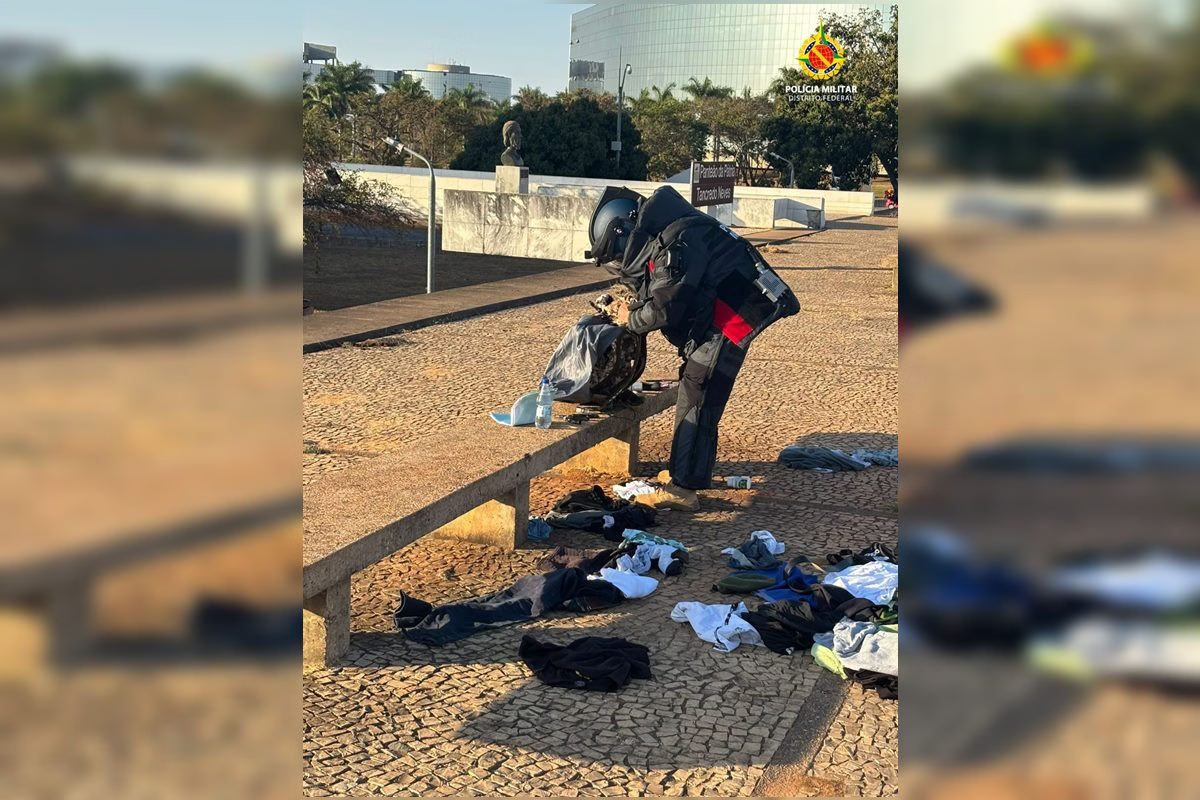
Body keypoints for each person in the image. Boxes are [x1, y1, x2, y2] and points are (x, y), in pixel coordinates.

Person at [584, 185, 800, 510]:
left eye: (616, 256)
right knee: (699, 392)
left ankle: (682, 489)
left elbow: (665, 308)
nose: (618, 263)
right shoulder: (670, 229)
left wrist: (631, 318)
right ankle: (687, 472)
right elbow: (664, 287)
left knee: (698, 395)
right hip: (723, 315)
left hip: (729, 320)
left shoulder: (676, 242)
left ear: (626, 235)